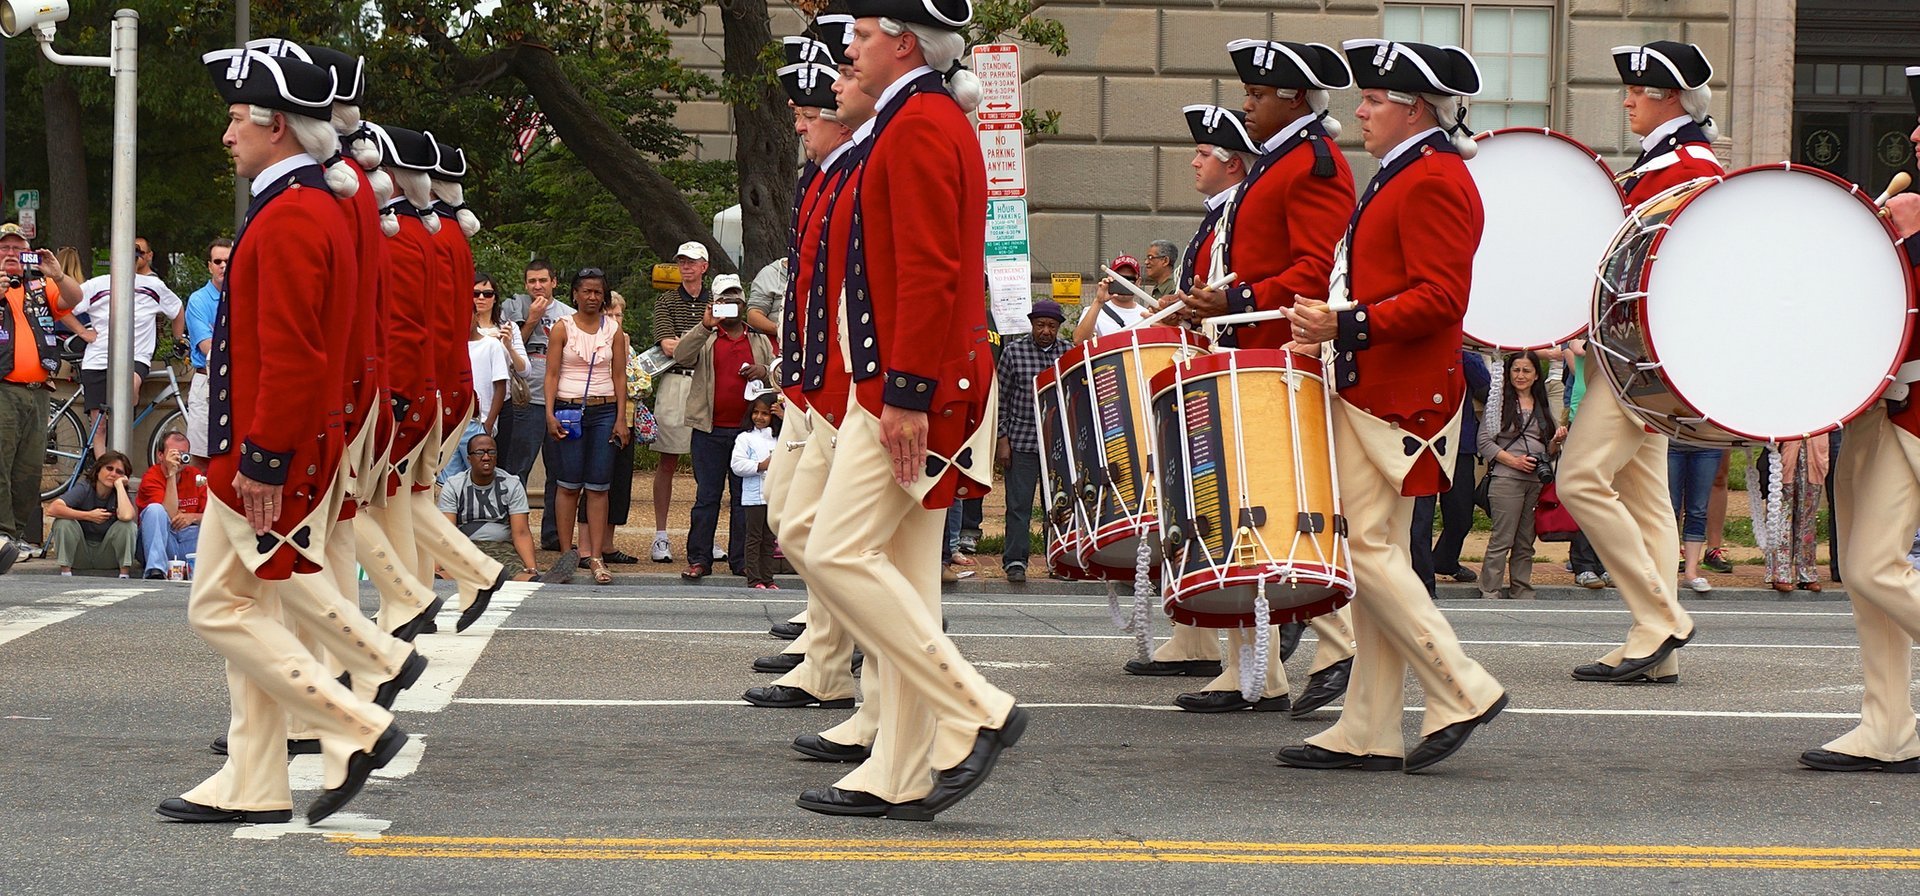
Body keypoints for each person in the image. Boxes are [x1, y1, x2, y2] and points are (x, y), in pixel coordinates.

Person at [159, 48, 406, 827]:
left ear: (275, 126)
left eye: (237, 119)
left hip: (269, 454)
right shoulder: (305, 203)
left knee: (219, 610)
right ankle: (255, 776)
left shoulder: (295, 212)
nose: (227, 134)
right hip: (277, 448)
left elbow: (294, 352)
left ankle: (356, 723)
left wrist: (263, 460)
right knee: (248, 607)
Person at [792, 0, 1021, 820]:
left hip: (909, 387)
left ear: (904, 43)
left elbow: (927, 270)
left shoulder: (919, 123)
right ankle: (902, 768)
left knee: (836, 550)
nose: (845, 53)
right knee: (910, 582)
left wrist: (909, 397)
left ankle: (975, 708)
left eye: (858, 37)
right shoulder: (913, 117)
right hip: (900, 382)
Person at [1278, 38, 1507, 773]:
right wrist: (1331, 326)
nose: (1360, 109)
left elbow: (1443, 299)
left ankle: (1462, 683)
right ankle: (1369, 725)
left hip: (1397, 397)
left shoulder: (1433, 178)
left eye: (1374, 99)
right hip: (1380, 388)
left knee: (1366, 551)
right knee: (1374, 553)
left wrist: (1344, 324)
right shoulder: (1409, 171)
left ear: (1413, 109)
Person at [1560, 40, 1720, 685]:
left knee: (1579, 478)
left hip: (1644, 357)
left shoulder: (1690, 166)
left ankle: (1661, 619)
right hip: (1628, 351)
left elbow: (1681, 267)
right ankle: (1657, 648)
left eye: (1640, 90)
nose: (1626, 99)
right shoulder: (1663, 160)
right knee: (1647, 498)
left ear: (1672, 99)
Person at [1800, 67, 1920, 775]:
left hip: (1914, 412)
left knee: (1876, 567)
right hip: (1882, 407)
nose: (1911, 135)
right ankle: (1889, 726)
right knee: (1859, 571)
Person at [669, 273, 773, 581]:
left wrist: (763, 370)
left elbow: (775, 374)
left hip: (748, 432)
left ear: (743, 303)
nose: (731, 306)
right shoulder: (705, 336)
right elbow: (680, 356)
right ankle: (700, 558)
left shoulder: (757, 338)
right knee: (707, 497)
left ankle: (742, 561)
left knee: (746, 499)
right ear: (715, 304)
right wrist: (704, 325)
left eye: (735, 300)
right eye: (724, 301)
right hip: (709, 429)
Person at [0, 220, 84, 573]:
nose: (11, 255)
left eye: (18, 249)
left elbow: (75, 300)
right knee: (0, 465)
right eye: (4, 248)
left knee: (29, 469)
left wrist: (58, 274)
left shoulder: (38, 285)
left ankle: (13, 536)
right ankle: (2, 533)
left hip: (37, 392)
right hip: (3, 388)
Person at [544, 267, 630, 585]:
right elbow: (551, 374)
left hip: (604, 410)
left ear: (603, 295)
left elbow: (620, 375)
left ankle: (595, 556)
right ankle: (567, 555)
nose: (592, 297)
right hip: (568, 410)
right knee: (568, 485)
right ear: (575, 294)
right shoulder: (562, 328)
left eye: (598, 292)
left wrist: (621, 418)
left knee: (598, 486)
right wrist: (549, 414)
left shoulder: (614, 330)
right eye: (586, 291)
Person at [74, 235, 185, 456]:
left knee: (130, 388)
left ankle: (118, 458)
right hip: (98, 358)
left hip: (136, 357)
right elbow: (64, 306)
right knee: (100, 425)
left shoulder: (153, 285)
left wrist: (178, 340)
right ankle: (101, 473)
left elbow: (177, 309)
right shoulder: (97, 284)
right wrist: (82, 332)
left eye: (134, 257)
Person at [995, 300, 1071, 583]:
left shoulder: (1068, 354)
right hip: (1021, 441)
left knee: (1058, 506)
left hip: (1057, 445)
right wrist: (1002, 439)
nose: (1045, 331)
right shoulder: (1014, 353)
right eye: (1040, 325)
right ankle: (1015, 561)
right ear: (1032, 325)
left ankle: (1059, 561)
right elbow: (1001, 399)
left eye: (1051, 326)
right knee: (1018, 505)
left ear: (1058, 328)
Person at [650, 240, 715, 564]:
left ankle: (706, 534)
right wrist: (699, 341)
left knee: (711, 464)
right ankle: (661, 536)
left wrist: (687, 344)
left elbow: (719, 345)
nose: (686, 267)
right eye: (682, 262)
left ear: (704, 266)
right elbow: (667, 346)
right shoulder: (666, 300)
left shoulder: (716, 300)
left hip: (709, 383)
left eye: (692, 262)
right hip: (676, 382)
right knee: (667, 461)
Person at [1478, 352, 1560, 600]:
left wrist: (1556, 442)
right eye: (1516, 370)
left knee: (1525, 540)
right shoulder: (1500, 405)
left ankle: (1522, 590)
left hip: (1535, 481)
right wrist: (1512, 460)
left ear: (1537, 375)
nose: (1520, 376)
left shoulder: (1542, 406)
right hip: (1506, 478)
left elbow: (1549, 451)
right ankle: (1490, 590)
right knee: (1502, 538)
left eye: (1526, 371)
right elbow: (1483, 441)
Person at [1412, 348, 1489, 593]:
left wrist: (1459, 349)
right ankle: (1423, 584)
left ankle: (1445, 560)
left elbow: (1486, 388)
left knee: (1461, 516)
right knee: (1420, 521)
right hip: (1421, 447)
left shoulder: (1463, 356)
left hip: (1459, 445)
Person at [440, 272, 515, 483]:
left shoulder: (491, 345)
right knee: (451, 480)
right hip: (451, 422)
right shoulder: (449, 348)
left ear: (476, 316)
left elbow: (501, 386)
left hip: (478, 421)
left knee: (481, 476)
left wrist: (488, 423)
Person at [439, 433, 538, 580]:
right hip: (465, 547)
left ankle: (540, 581)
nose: (486, 457)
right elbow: (447, 532)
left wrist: (532, 568)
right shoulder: (453, 485)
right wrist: (437, 566)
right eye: (479, 452)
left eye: (491, 452)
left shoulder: (512, 484)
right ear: (469, 459)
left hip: (502, 548)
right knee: (445, 576)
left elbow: (521, 532)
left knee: (522, 577)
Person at [48, 450, 138, 576]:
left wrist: (119, 486)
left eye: (119, 472)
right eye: (109, 468)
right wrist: (88, 516)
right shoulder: (85, 487)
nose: (113, 474)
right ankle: (66, 573)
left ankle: (124, 575)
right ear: (98, 470)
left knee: (127, 526)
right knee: (63, 522)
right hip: (79, 555)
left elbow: (127, 516)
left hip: (107, 557)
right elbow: (53, 509)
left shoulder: (120, 493)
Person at [184, 239, 232, 465]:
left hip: (238, 384)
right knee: (202, 457)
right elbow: (209, 348)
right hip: (207, 383)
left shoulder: (247, 297)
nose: (223, 265)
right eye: (218, 261)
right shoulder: (198, 300)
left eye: (229, 261)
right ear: (209, 266)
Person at [1761, 439, 1827, 593]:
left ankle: (1807, 573)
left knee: (1808, 515)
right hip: (1784, 447)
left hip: (1814, 446)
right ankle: (1779, 573)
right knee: (1781, 513)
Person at [136, 431, 204, 579]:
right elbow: (170, 515)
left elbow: (213, 514)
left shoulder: (195, 475)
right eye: (174, 453)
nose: (179, 458)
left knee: (213, 525)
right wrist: (171, 475)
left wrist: (192, 517)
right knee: (155, 510)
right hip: (163, 540)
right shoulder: (151, 477)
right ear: (161, 455)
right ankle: (156, 570)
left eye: (183, 454)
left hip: (188, 538)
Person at [732, 392, 781, 588]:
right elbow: (737, 464)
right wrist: (760, 465)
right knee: (754, 538)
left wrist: (784, 416)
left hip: (773, 495)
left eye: (765, 414)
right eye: (756, 413)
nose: (759, 418)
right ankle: (754, 579)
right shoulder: (745, 438)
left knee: (769, 539)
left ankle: (768, 578)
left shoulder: (779, 437)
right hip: (753, 496)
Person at [1669, 442, 1727, 594]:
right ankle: (1668, 571)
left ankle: (1690, 572)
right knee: (1669, 509)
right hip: (1670, 441)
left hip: (1707, 443)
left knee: (1698, 510)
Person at [1070, 255, 1148, 343]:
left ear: (1138, 282)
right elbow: (1079, 341)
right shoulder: (1094, 311)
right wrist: (1098, 301)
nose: (1124, 283)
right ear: (1110, 277)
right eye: (1119, 278)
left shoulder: (1147, 315)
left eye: (1129, 279)